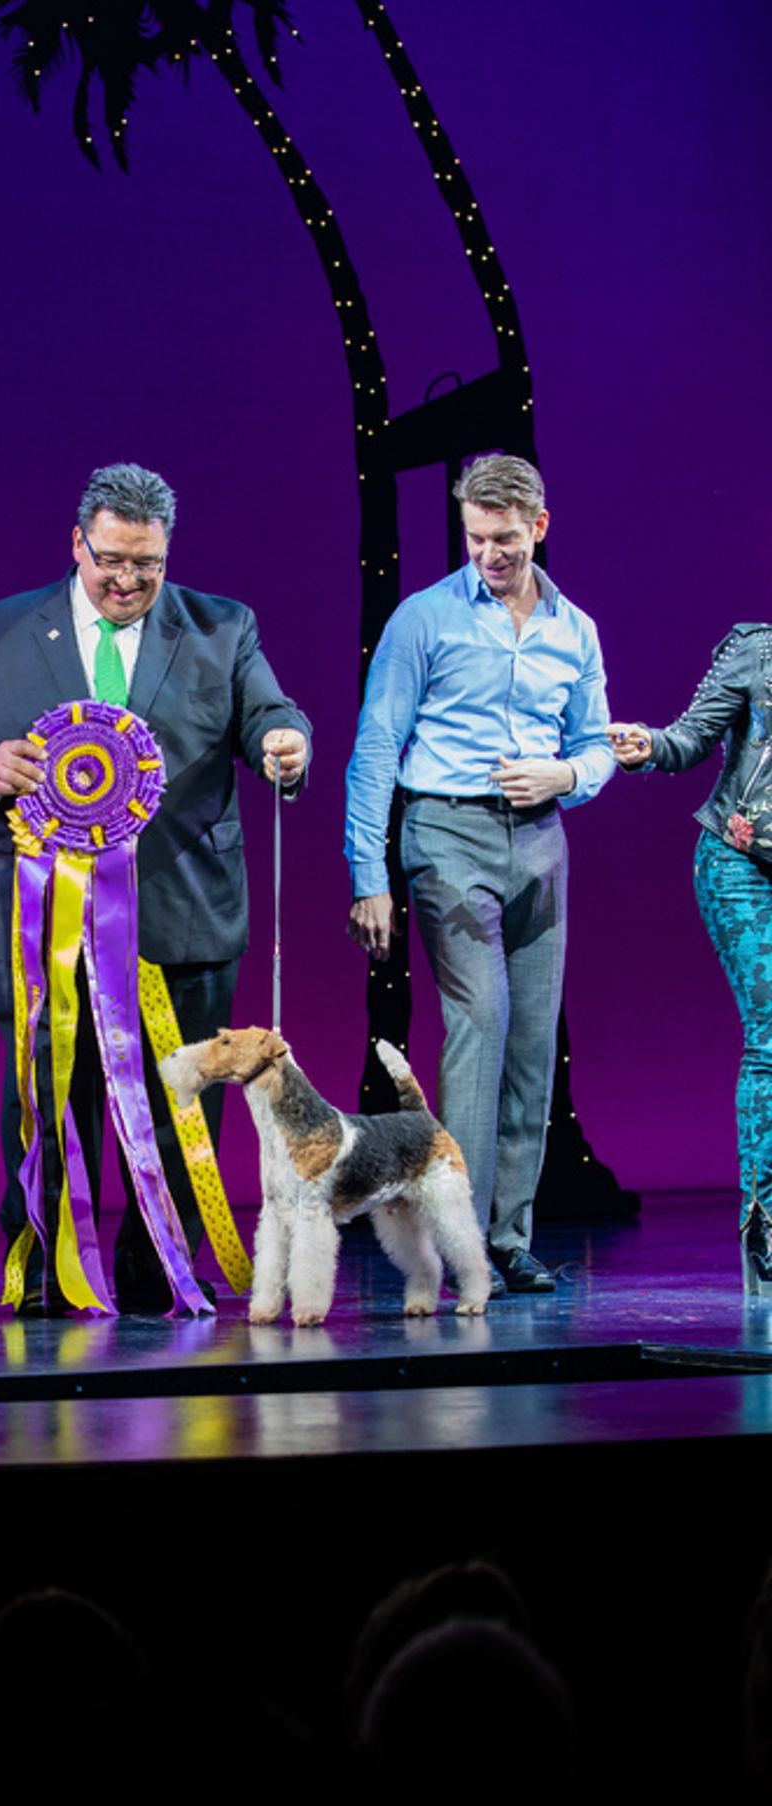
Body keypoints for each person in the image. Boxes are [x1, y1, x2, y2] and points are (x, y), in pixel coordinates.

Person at [0, 461, 310, 1315]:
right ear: (77, 544)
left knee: (179, 1116)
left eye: (148, 565)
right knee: (52, 1096)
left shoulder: (222, 627)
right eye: (111, 562)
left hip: (184, 913)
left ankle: (159, 1263)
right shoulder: (2, 630)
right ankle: (52, 1262)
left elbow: (269, 715)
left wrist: (287, 740)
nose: (128, 581)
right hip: (41, 920)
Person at [345, 453, 614, 1293]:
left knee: (534, 1043)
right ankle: (458, 1245)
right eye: (473, 537)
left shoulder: (575, 628)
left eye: (504, 538)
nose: (488, 554)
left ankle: (506, 1238)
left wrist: (566, 777)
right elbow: (377, 747)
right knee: (482, 1026)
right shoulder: (423, 619)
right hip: (447, 833)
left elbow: (596, 742)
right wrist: (368, 872)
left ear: (538, 526)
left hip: (539, 838)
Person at [609, 630, 772, 1290]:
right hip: (741, 866)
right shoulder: (756, 650)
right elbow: (691, 737)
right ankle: (764, 1240)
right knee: (771, 1037)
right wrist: (650, 745)